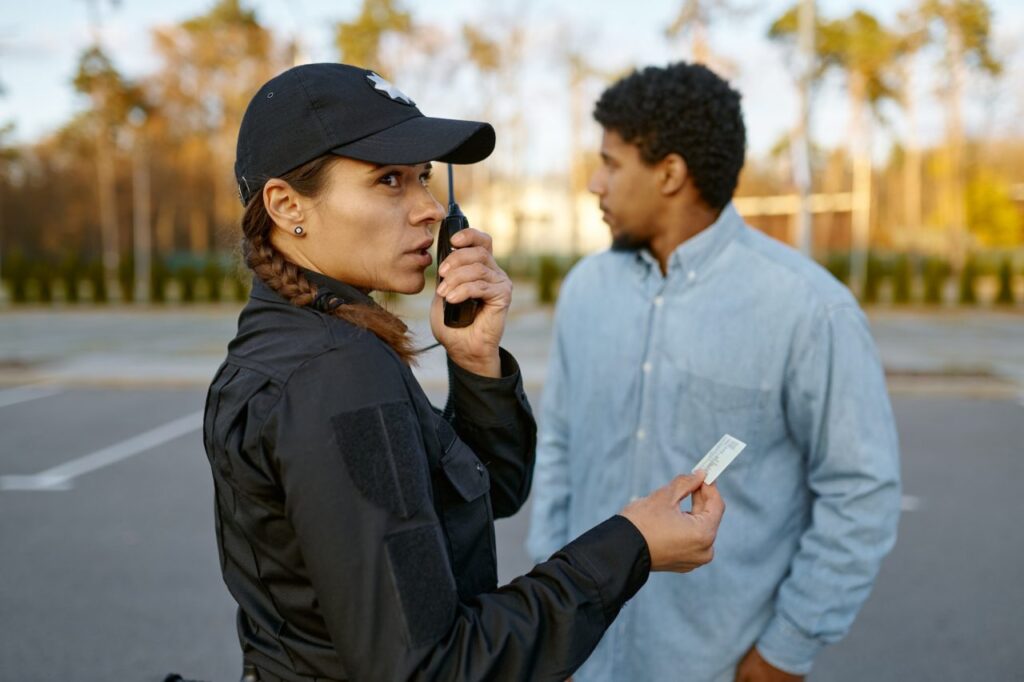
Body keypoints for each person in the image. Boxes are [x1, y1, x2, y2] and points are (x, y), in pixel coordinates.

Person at [202, 62, 725, 682]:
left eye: (423, 178)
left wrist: (475, 363)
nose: (428, 209)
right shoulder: (336, 373)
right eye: (389, 180)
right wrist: (629, 547)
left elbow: (484, 494)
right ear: (288, 204)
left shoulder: (289, 340)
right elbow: (434, 667)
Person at [526, 62, 901, 682]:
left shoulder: (809, 309)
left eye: (612, 163)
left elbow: (860, 491)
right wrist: (550, 612)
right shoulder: (585, 291)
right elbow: (562, 449)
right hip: (581, 657)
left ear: (669, 173)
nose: (596, 183)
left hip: (716, 664)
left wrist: (786, 650)